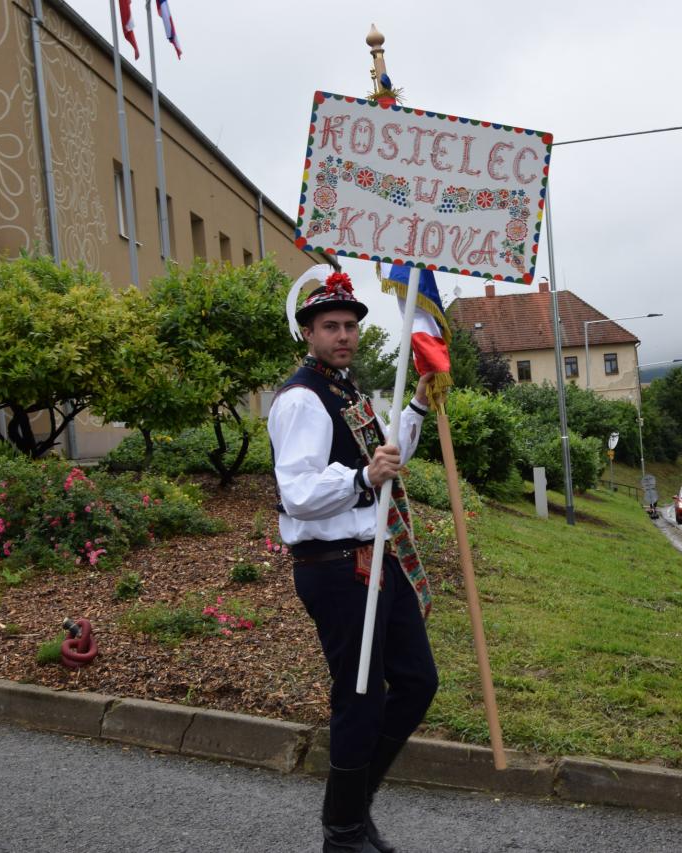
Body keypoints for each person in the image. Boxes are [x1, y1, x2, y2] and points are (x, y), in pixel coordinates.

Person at [268, 269, 438, 853]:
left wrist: (417, 405)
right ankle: (343, 834)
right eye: (330, 326)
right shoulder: (302, 399)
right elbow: (298, 495)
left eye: (350, 326)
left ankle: (352, 810)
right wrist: (363, 478)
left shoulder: (347, 392)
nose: (343, 335)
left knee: (416, 682)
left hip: (377, 558)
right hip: (337, 567)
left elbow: (388, 456)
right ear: (307, 333)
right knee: (359, 697)